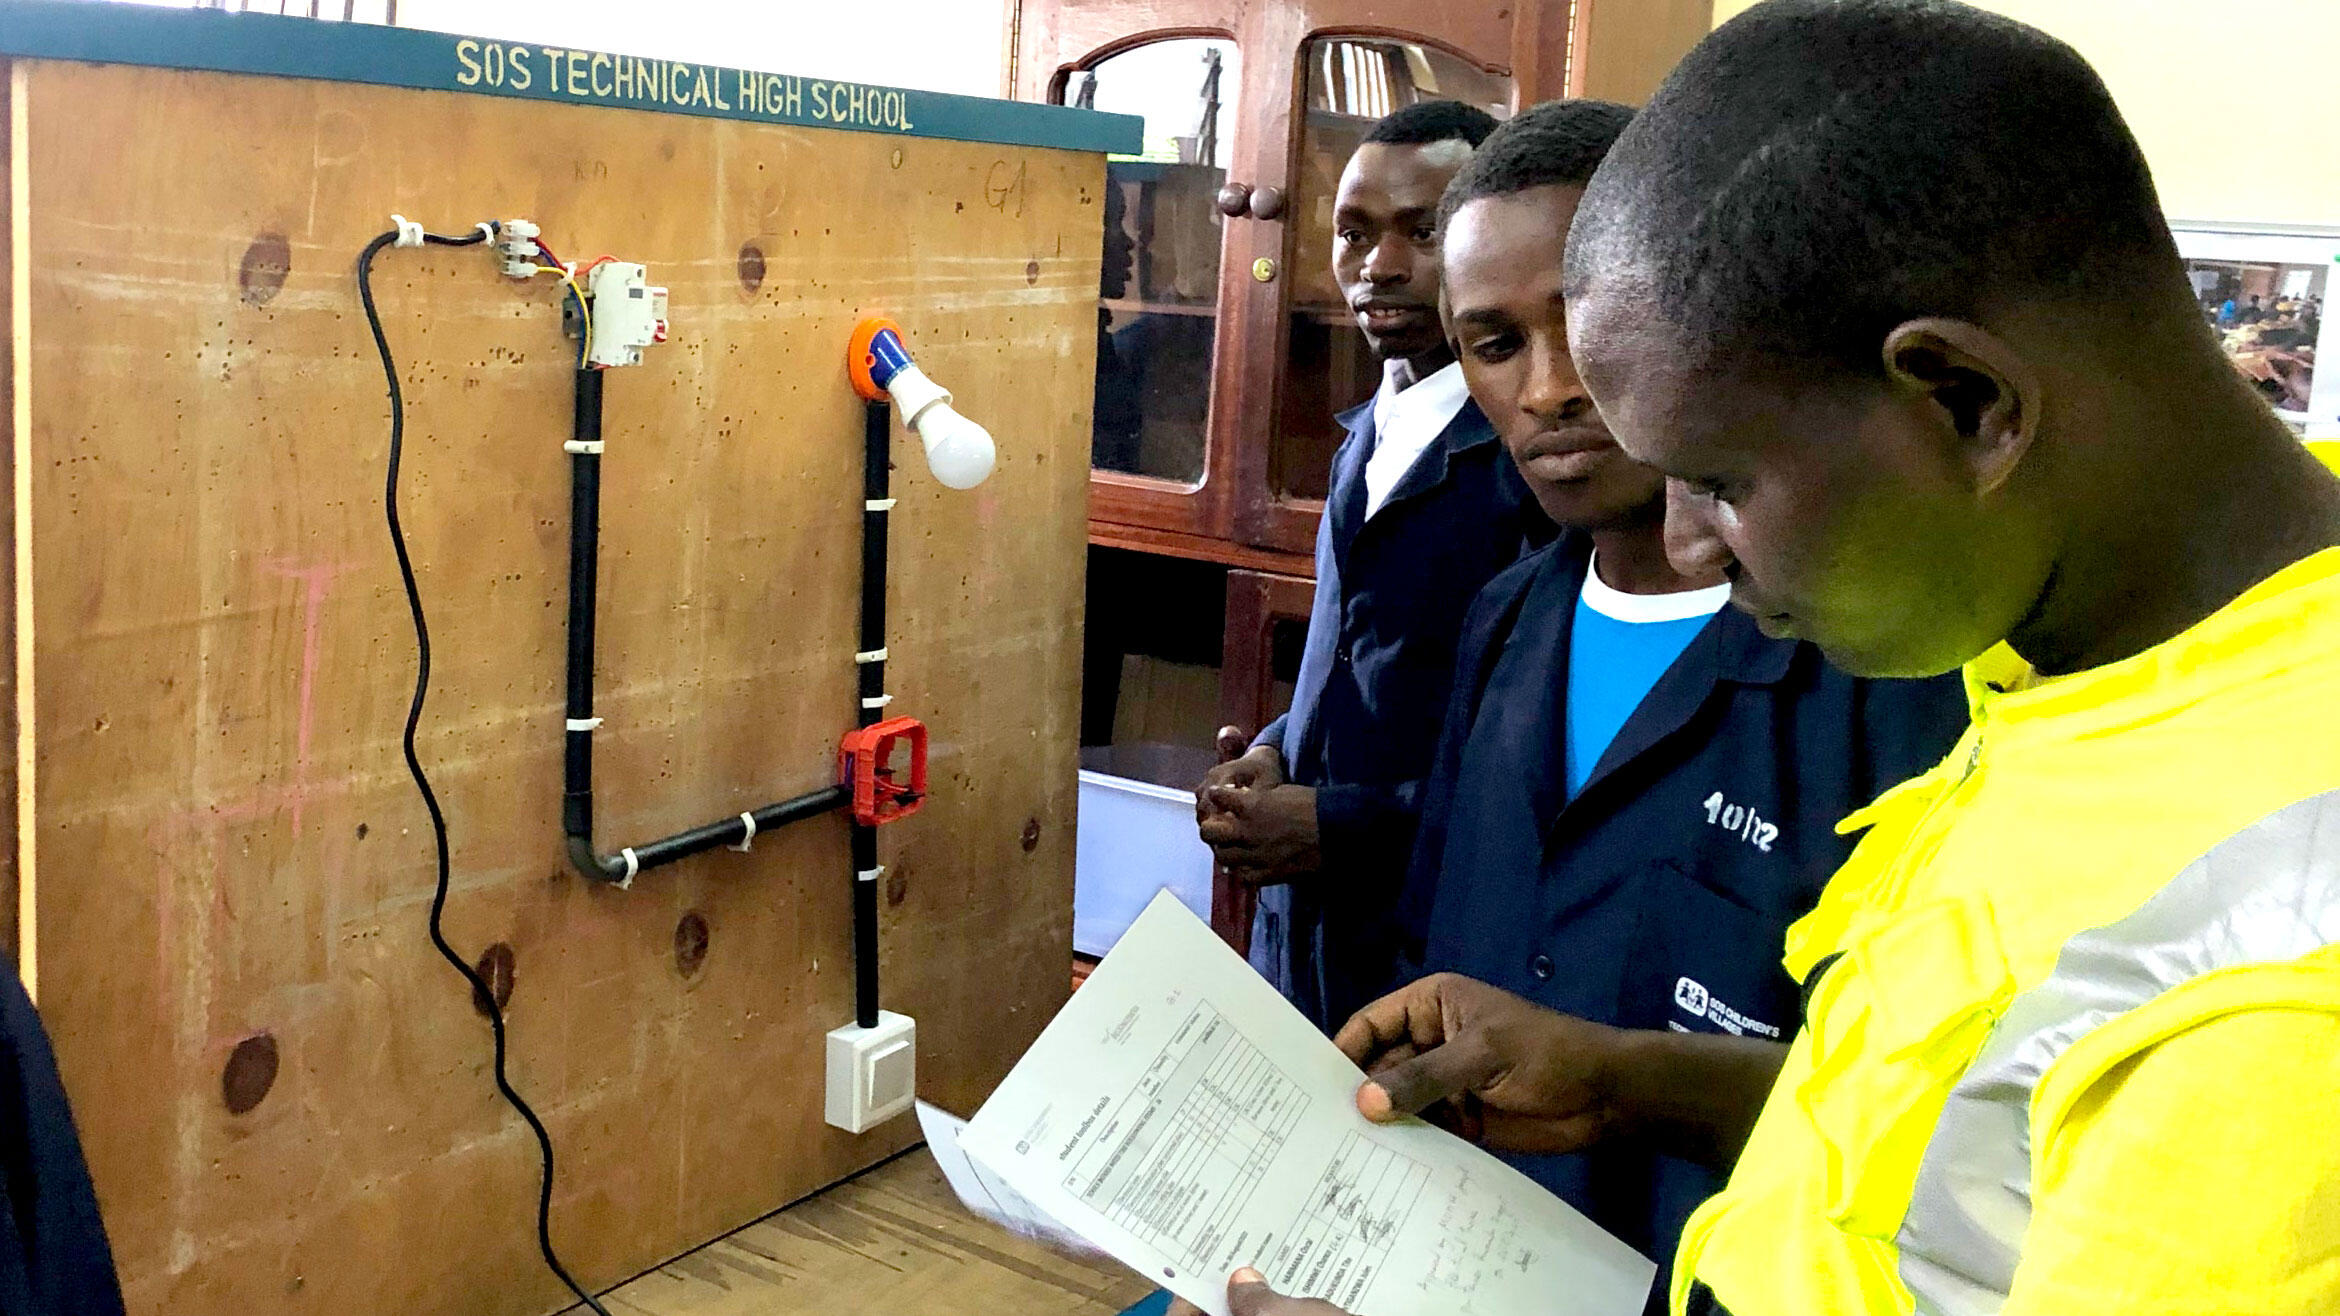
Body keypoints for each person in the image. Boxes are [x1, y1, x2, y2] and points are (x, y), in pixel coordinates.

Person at [1216, 1, 2340, 1314]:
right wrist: (1630, 1077)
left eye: (1722, 481)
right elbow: (1927, 1157)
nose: (1689, 543)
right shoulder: (2078, 664)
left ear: (1967, 407)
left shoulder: (2278, 999)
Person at [1399, 99, 1967, 1311]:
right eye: (1495, 345)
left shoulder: (1892, 670)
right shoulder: (1504, 623)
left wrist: (1634, 1081)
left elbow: (1931, 1119)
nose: (1552, 387)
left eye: (1588, 324)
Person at [1196, 100, 1547, 1031]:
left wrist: (1336, 824)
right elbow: (1358, 656)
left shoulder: (1536, 462)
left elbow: (1530, 763)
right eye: (1353, 233)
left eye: (1420, 233)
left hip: (1425, 946)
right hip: (1305, 925)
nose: (1378, 267)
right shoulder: (1366, 435)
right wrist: (1275, 748)